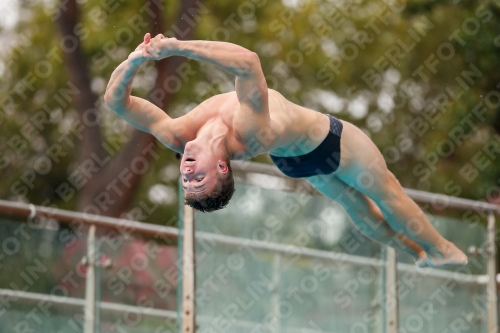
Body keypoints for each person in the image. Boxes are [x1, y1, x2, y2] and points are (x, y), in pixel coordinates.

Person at [104, 33, 468, 267]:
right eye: (199, 178)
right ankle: (441, 250)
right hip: (330, 142)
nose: (187, 173)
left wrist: (136, 59)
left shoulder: (178, 134)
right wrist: (178, 47)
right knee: (384, 193)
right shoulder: (246, 132)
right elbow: (248, 62)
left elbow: (117, 102)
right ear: (222, 167)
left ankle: (418, 253)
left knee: (355, 204)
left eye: (187, 180)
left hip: (292, 162)